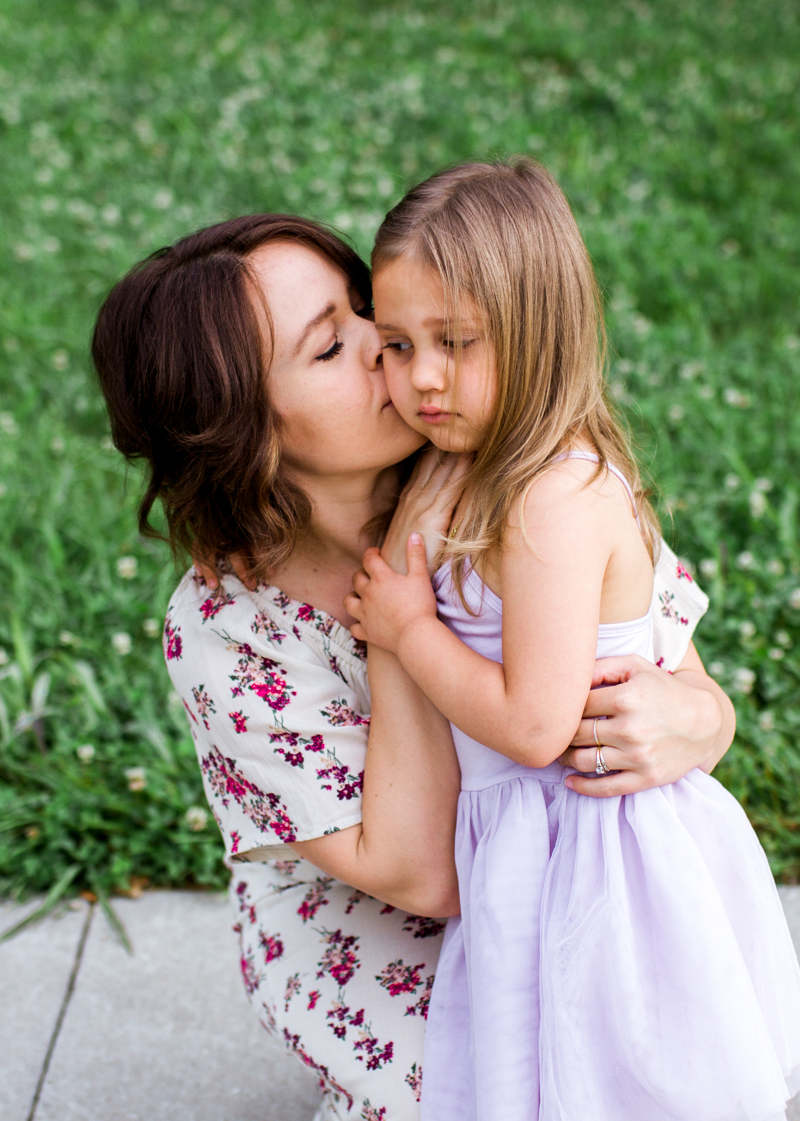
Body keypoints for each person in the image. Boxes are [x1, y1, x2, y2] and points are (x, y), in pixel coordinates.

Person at [92, 210, 737, 1121]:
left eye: (363, 308)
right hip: (381, 936)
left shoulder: (505, 459)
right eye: (328, 348)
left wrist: (699, 719)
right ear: (249, 436)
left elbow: (684, 675)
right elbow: (426, 873)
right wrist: (402, 590)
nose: (384, 346)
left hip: (560, 871)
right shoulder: (228, 630)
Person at [346, 157, 800, 1120]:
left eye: (456, 341)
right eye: (394, 342)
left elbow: (537, 726)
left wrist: (410, 628)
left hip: (601, 855)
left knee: (621, 1077)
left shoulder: (554, 493)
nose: (420, 376)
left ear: (540, 331)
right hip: (531, 849)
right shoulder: (467, 466)